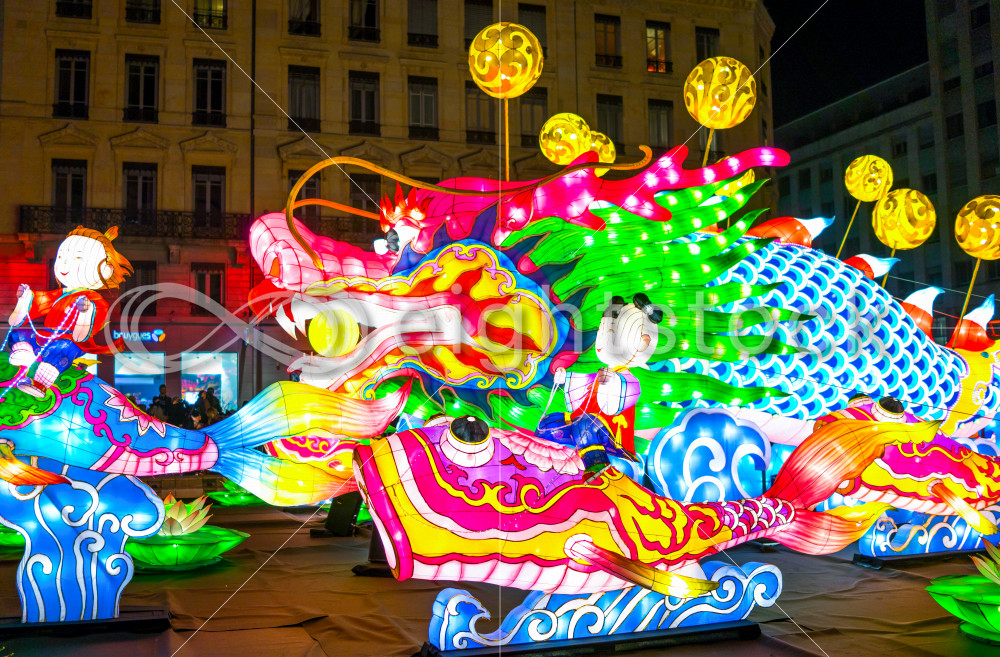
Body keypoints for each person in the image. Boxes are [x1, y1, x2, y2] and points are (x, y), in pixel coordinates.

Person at [537, 293, 662, 480]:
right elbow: (580, 388)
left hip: (611, 440)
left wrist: (610, 382)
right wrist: (565, 377)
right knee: (550, 422)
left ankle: (597, 467)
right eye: (602, 334)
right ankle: (541, 464)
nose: (602, 343)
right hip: (583, 428)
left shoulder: (630, 382)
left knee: (587, 423)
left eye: (613, 337)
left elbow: (610, 407)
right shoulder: (601, 373)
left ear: (643, 343)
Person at [7, 227, 133, 397]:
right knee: (19, 334)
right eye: (61, 257)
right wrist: (25, 297)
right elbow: (36, 303)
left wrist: (85, 311)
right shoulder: (59, 294)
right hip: (47, 335)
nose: (65, 264)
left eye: (78, 258)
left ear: (105, 270)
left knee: (62, 350)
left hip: (70, 341)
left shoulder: (94, 300)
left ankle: (40, 384)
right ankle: (27, 356)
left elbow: (82, 335)